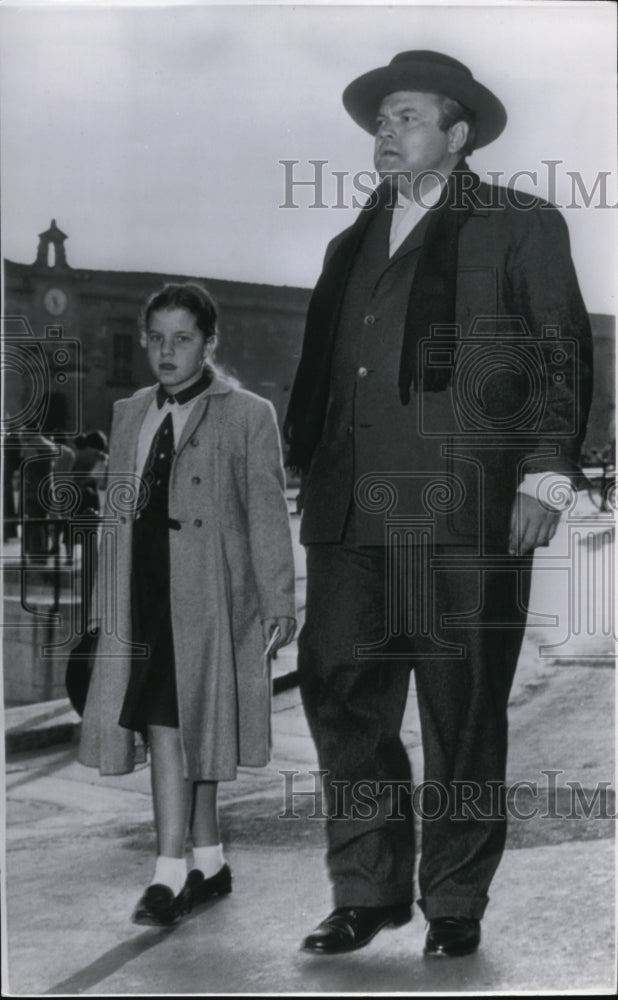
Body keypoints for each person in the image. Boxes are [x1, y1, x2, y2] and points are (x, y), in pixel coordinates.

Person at [284, 50, 593, 958]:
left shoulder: (519, 226)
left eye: (406, 115)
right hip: (352, 512)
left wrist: (544, 471)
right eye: (380, 119)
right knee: (342, 694)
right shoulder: (352, 242)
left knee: (460, 708)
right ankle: (369, 889)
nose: (386, 131)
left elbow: (558, 350)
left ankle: (455, 899)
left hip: (464, 511)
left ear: (456, 137)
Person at [78, 282, 296, 926]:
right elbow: (114, 516)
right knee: (176, 722)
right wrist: (101, 604)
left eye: (183, 338)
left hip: (206, 595)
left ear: (208, 343)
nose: (167, 351)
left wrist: (279, 597)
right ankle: (209, 858)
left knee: (176, 723)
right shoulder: (128, 413)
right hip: (141, 593)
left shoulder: (248, 413)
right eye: (157, 338)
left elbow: (265, 512)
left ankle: (167, 874)